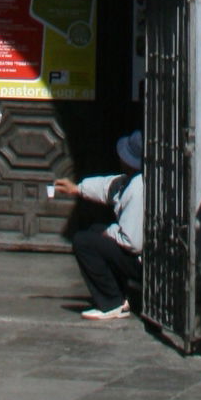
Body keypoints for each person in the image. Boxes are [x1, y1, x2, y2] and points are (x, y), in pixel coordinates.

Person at [54, 131, 144, 322]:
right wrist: (76, 189)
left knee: (84, 242)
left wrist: (109, 233)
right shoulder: (128, 180)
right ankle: (118, 295)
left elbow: (133, 242)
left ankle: (112, 302)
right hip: (134, 254)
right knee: (94, 232)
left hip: (141, 262)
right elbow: (107, 187)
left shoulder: (138, 188)